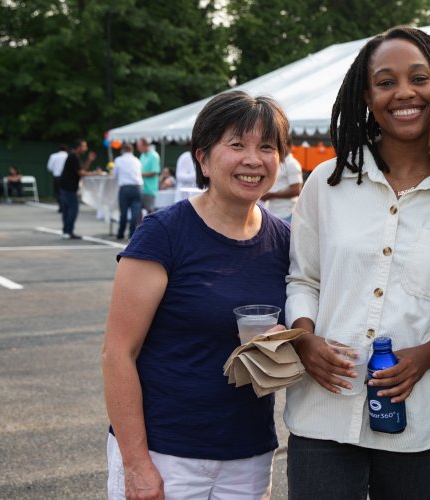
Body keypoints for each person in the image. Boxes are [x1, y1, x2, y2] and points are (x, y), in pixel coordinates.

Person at [284, 26, 430, 500]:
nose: (404, 93)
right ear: (366, 96)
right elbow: (304, 277)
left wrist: (427, 355)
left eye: (419, 78)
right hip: (323, 411)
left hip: (420, 418)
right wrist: (305, 338)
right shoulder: (326, 184)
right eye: (385, 81)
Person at [102, 90, 292, 500]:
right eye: (236, 145)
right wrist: (136, 464)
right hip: (165, 454)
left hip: (248, 456)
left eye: (267, 147)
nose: (253, 159)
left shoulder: (286, 241)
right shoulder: (164, 234)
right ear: (203, 158)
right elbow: (118, 353)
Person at [60, 139, 98, 239]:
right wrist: (95, 173)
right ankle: (68, 231)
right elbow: (81, 173)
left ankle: (66, 231)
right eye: (84, 146)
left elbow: (82, 170)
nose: (86, 148)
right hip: (68, 187)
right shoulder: (73, 156)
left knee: (68, 209)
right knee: (73, 209)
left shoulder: (74, 156)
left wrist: (89, 160)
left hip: (67, 186)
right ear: (78, 147)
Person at [258, 152, 302, 222]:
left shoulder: (292, 164)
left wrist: (271, 195)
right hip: (273, 211)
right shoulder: (278, 162)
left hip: (286, 213)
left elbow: (296, 190)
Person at [112, 143, 143, 240]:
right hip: (137, 187)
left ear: (122, 151)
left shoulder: (118, 160)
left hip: (125, 188)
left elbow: (114, 175)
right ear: (132, 151)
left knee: (123, 212)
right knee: (135, 212)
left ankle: (121, 233)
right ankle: (132, 233)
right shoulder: (137, 160)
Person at [136, 138, 161, 214]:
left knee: (150, 212)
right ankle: (138, 226)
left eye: (139, 146)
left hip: (150, 190)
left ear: (145, 145)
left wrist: (139, 174)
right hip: (141, 188)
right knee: (138, 211)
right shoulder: (142, 155)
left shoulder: (154, 156)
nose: (137, 148)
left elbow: (154, 172)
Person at [47, 145, 68, 212]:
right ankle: (65, 206)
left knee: (58, 192)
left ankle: (61, 206)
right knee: (66, 192)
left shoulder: (53, 156)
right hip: (66, 177)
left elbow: (49, 167)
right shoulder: (68, 156)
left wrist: (56, 170)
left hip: (57, 176)